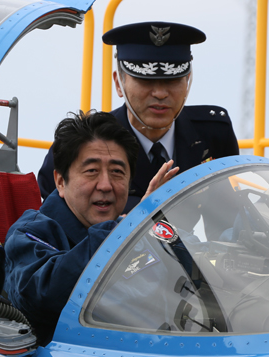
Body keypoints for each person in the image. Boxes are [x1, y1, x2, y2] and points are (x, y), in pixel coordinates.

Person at [4, 110, 177, 346]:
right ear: (60, 182)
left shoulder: (139, 229)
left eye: (117, 172)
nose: (105, 185)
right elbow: (43, 296)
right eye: (91, 171)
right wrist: (128, 228)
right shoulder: (30, 234)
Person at [38, 21, 239, 213]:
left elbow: (227, 215)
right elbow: (59, 229)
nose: (160, 93)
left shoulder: (213, 133)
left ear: (187, 81)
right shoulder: (79, 144)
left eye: (173, 80)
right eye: (146, 80)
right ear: (119, 84)